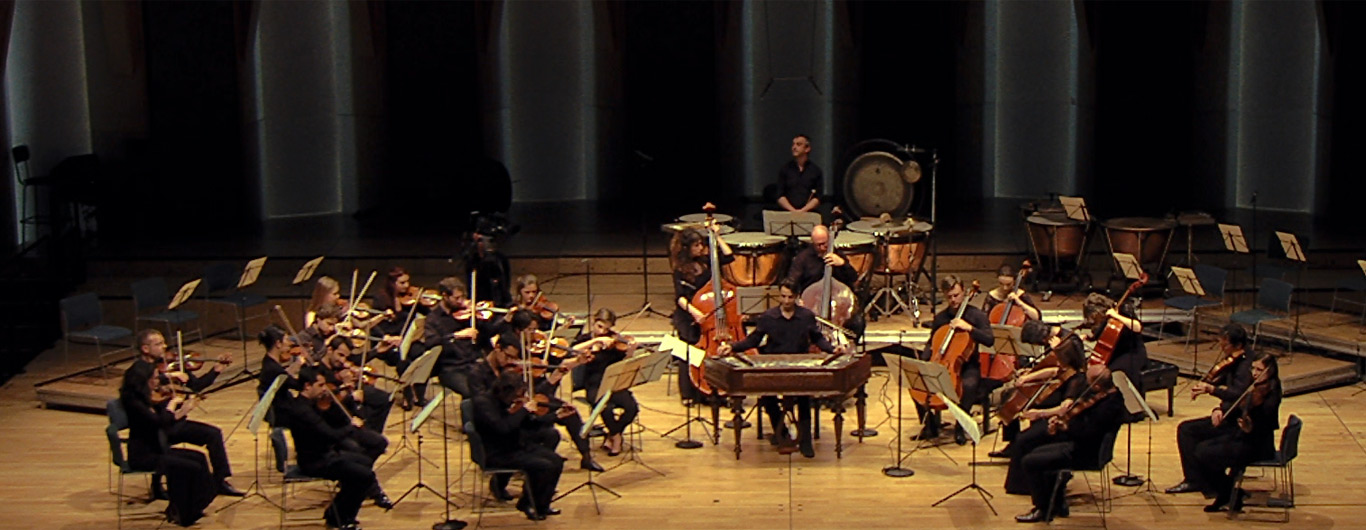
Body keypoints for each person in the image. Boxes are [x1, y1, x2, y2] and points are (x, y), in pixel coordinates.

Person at [719, 279, 846, 458]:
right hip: (774, 364)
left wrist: (833, 350)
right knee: (767, 397)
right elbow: (753, 340)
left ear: (797, 297)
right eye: (783, 296)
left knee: (804, 398)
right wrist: (732, 347)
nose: (786, 301)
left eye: (790, 297)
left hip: (799, 364)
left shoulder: (806, 316)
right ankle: (782, 433)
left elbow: (818, 338)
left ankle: (805, 441)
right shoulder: (768, 317)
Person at [129, 329, 244, 497]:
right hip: (157, 428)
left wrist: (217, 369)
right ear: (145, 349)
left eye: (164, 343)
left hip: (174, 422)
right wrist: (169, 377)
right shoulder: (138, 372)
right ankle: (159, 486)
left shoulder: (169, 364)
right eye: (159, 344)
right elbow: (142, 386)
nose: (164, 346)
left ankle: (220, 481)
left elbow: (196, 386)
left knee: (213, 434)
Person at [277, 366, 394, 530]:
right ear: (307, 386)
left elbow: (331, 424)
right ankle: (343, 518)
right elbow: (331, 435)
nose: (324, 389)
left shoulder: (309, 404)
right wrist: (351, 426)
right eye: (320, 385)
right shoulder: (303, 411)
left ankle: (335, 513)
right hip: (315, 462)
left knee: (365, 462)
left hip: (327, 455)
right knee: (365, 476)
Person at [1013, 363, 1127, 523]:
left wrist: (1063, 426)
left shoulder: (1107, 408)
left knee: (1030, 461)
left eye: (1089, 381)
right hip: (1083, 446)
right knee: (1038, 452)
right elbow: (1084, 425)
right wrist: (1062, 421)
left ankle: (1042, 509)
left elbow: (1086, 434)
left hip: (1087, 453)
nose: (1086, 384)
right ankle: (1058, 504)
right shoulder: (1112, 396)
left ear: (1097, 386)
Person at [120, 362, 217, 526]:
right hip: (144, 456)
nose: (158, 381)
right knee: (190, 466)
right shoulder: (134, 402)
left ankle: (191, 504)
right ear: (144, 380)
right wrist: (171, 406)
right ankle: (185, 512)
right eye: (154, 378)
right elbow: (159, 422)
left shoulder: (145, 398)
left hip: (157, 449)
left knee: (199, 457)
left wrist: (183, 410)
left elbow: (164, 422)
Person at [1166, 323, 1257, 497]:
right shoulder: (1235, 360)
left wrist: (1212, 390)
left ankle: (1206, 483)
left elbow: (1238, 394)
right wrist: (1218, 407)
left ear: (1238, 345)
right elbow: (1228, 389)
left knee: (1191, 435)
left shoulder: (1247, 366)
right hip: (1228, 414)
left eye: (1225, 345)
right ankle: (1196, 480)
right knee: (1186, 430)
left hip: (1239, 423)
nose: (1222, 349)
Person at [1191, 351, 1282, 513]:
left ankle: (1228, 493)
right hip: (1245, 438)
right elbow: (1234, 398)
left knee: (1205, 453)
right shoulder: (1253, 385)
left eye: (1259, 370)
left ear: (1270, 371)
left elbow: (1267, 422)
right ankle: (1228, 492)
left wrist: (1250, 427)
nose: (1254, 373)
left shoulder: (1272, 392)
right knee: (1201, 449)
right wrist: (1218, 407)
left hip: (1259, 445)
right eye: (1253, 368)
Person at [469, 371, 566, 521]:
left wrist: (556, 415)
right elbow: (503, 428)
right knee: (543, 466)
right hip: (497, 453)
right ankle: (527, 503)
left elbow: (528, 424)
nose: (517, 398)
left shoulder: (507, 402)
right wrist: (523, 410)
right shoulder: (483, 403)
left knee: (556, 461)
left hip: (515, 445)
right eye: (515, 395)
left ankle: (541, 505)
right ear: (505, 390)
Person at [918, 274, 994, 445]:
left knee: (969, 385)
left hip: (968, 365)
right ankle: (930, 425)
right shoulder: (941, 318)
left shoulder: (976, 315)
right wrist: (925, 360)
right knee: (917, 383)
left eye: (956, 295)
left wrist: (969, 328)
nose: (953, 300)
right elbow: (931, 342)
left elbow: (989, 340)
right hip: (941, 363)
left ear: (964, 292)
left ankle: (960, 426)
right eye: (949, 297)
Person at [670, 224, 734, 400]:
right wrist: (695, 313)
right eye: (696, 245)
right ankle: (689, 393)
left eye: (701, 244)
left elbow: (729, 256)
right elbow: (680, 297)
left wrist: (716, 236)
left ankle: (710, 389)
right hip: (688, 314)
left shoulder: (706, 261)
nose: (701, 248)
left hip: (708, 314)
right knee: (689, 350)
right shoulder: (679, 270)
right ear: (686, 248)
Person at [570, 308, 641, 456]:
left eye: (606, 329)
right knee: (605, 408)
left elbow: (624, 363)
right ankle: (616, 438)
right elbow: (572, 350)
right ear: (593, 322)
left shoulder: (614, 341)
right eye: (600, 326)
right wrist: (595, 341)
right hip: (594, 385)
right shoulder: (585, 339)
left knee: (632, 407)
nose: (602, 332)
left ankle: (612, 434)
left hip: (614, 383)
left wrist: (630, 351)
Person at [425, 277, 490, 399]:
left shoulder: (466, 314)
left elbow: (486, 334)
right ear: (445, 296)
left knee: (493, 388)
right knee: (471, 393)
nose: (461, 301)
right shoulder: (433, 318)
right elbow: (431, 343)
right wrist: (457, 335)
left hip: (472, 363)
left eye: (462, 297)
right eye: (456, 298)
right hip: (451, 368)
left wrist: (477, 316)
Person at [1079, 292, 1147, 390]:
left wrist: (1116, 316)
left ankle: (1118, 395)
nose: (1093, 319)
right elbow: (1100, 334)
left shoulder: (1123, 309)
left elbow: (1137, 327)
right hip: (1115, 352)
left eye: (1094, 316)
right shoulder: (1104, 318)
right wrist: (1087, 337)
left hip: (1131, 352)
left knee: (1107, 374)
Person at [465, 233, 513, 308]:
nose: (484, 243)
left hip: (500, 302)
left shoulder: (501, 259)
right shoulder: (472, 261)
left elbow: (505, 282)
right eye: (480, 240)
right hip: (479, 302)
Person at [776, 134, 821, 213]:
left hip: (808, 213)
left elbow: (818, 197)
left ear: (807, 148)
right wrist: (793, 211)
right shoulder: (785, 169)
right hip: (788, 213)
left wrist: (803, 211)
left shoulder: (816, 171)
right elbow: (780, 195)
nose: (794, 147)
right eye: (793, 144)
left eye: (798, 144)